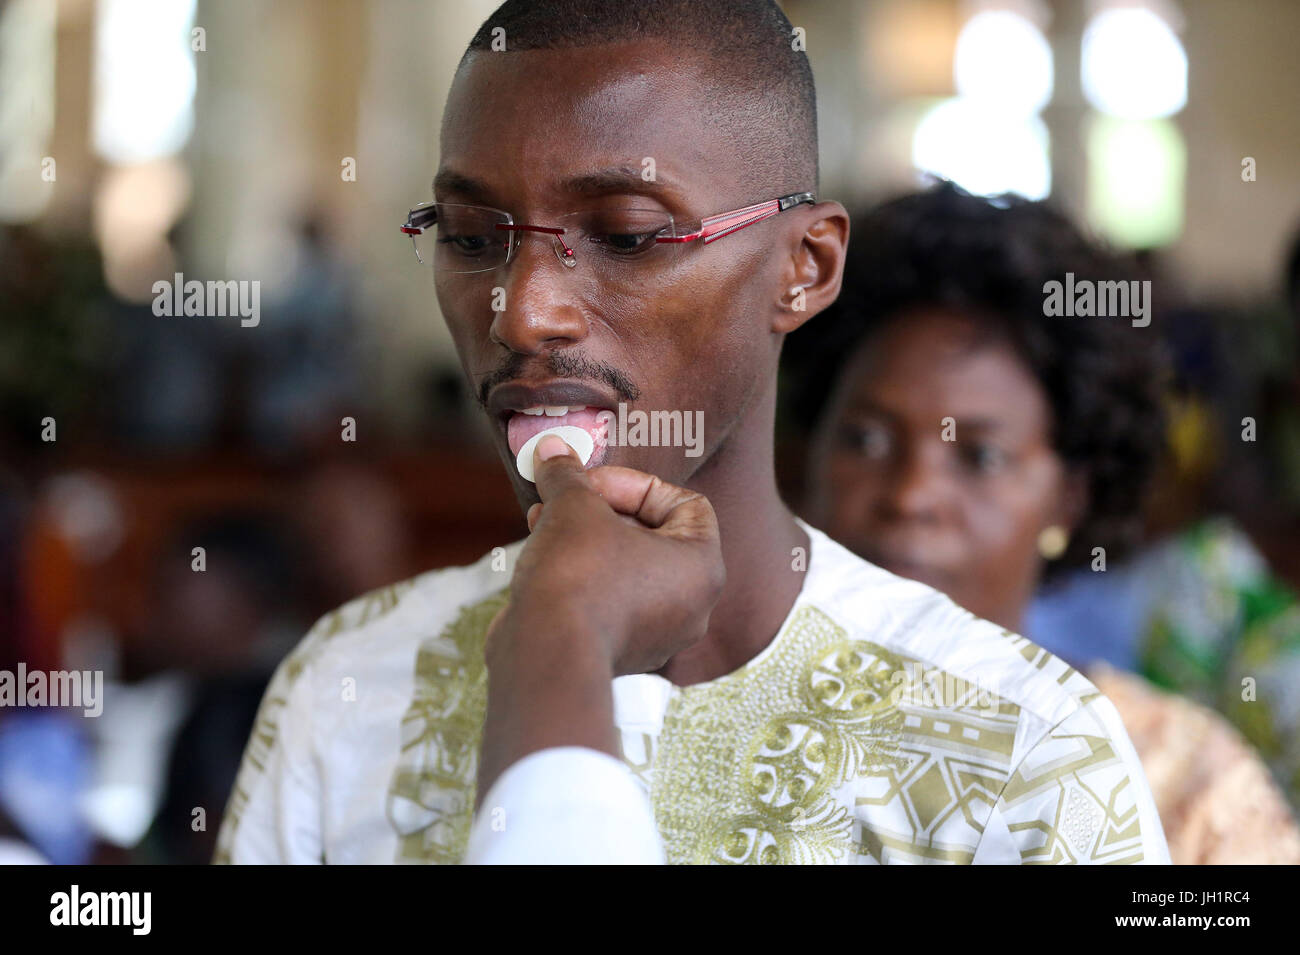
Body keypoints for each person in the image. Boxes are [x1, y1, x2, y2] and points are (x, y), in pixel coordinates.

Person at [217, 1, 1167, 865]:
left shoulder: (1023, 754)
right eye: (472, 236)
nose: (523, 312)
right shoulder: (348, 687)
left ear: (804, 264)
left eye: (628, 235)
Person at [786, 183, 1300, 864]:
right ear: (808, 452)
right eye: (867, 440)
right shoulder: (711, 729)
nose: (911, 495)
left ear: (1069, 498)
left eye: (981, 455)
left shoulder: (1184, 786)